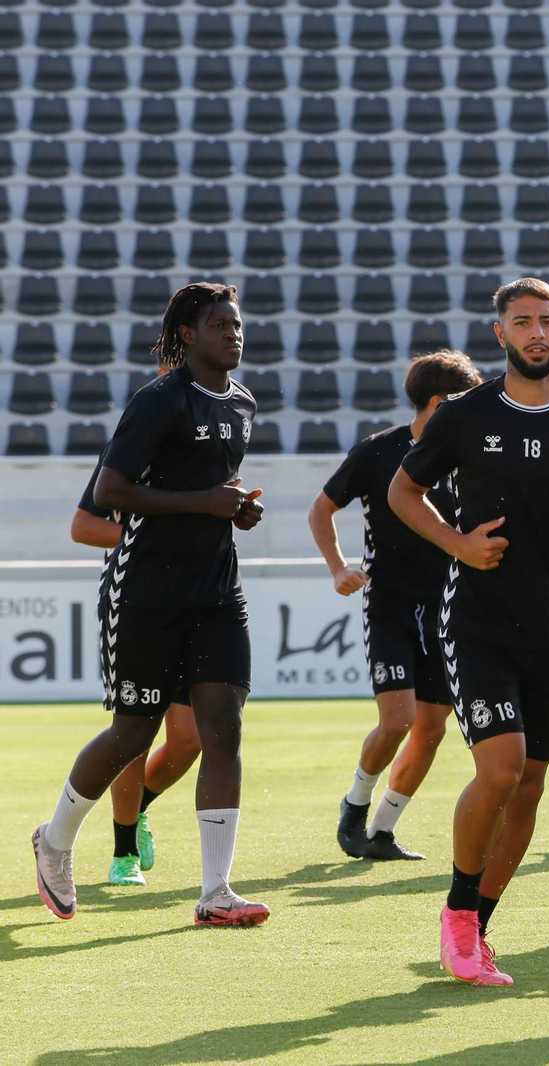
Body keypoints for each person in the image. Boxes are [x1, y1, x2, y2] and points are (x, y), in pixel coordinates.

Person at [390, 278, 549, 987]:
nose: (536, 333)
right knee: (500, 768)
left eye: (546, 321)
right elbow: (404, 491)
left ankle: (478, 928)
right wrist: (456, 546)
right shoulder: (463, 415)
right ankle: (457, 916)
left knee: (528, 786)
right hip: (477, 624)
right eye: (522, 322)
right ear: (500, 334)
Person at [32, 281, 268, 927]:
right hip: (145, 593)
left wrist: (236, 511)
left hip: (218, 590)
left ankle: (216, 892)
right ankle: (53, 843)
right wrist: (203, 505)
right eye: (221, 325)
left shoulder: (243, 404)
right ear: (188, 334)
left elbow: (207, 493)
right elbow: (110, 491)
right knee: (132, 733)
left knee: (222, 731)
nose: (234, 334)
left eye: (238, 324)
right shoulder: (159, 400)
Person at [310, 351, 484, 861]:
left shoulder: (469, 453)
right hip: (388, 603)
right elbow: (322, 508)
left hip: (449, 607)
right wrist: (338, 566)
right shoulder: (378, 452)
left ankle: (383, 830)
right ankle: (355, 806)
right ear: (439, 403)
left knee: (432, 728)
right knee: (399, 720)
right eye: (463, 402)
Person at [70, 354, 201, 888]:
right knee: (136, 732)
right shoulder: (132, 444)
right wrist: (151, 541)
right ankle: (123, 853)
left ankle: (138, 805)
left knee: (191, 740)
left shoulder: (211, 451)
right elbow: (83, 525)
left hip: (200, 600)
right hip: (139, 600)